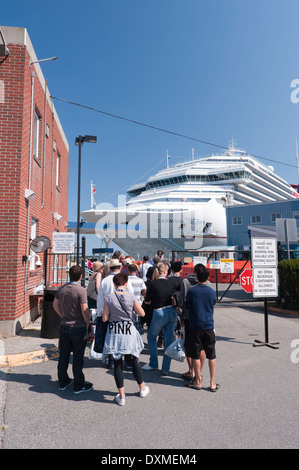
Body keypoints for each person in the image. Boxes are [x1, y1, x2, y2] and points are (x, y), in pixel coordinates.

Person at [102, 273, 149, 406]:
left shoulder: (109, 298)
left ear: (114, 284)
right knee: (134, 360)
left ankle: (121, 396)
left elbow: (105, 318)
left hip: (115, 331)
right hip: (128, 330)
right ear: (126, 283)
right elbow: (142, 313)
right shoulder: (131, 296)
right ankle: (142, 388)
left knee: (117, 363)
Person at [53, 265, 93, 394]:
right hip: (78, 326)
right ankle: (78, 384)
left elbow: (55, 305)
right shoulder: (81, 290)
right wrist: (88, 322)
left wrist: (63, 315)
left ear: (69, 274)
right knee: (77, 356)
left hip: (65, 325)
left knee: (63, 355)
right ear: (81, 276)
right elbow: (84, 309)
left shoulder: (62, 289)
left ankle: (63, 381)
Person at [142, 262, 182, 375]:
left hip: (159, 312)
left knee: (151, 337)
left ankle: (154, 363)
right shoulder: (171, 281)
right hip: (172, 311)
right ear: (165, 272)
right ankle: (166, 368)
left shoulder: (152, 283)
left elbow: (147, 301)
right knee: (169, 340)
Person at [185, 264, 219, 391]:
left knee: (195, 355)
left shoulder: (192, 291)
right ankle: (212, 382)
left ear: (197, 277)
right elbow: (213, 304)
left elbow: (187, 304)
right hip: (209, 325)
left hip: (195, 326)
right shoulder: (211, 291)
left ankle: (198, 381)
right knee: (212, 355)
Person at [97, 258, 134, 368]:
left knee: (111, 337)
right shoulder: (125, 279)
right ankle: (127, 361)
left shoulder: (104, 281)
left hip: (108, 312)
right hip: (123, 313)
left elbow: (100, 298)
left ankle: (112, 360)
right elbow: (131, 295)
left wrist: (101, 314)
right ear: (120, 267)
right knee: (125, 337)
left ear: (109, 268)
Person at [178, 264, 206, 381]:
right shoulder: (207, 283)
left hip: (189, 318)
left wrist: (181, 317)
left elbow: (181, 301)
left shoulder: (185, 282)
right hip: (204, 319)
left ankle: (191, 371)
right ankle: (199, 372)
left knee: (189, 346)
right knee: (202, 348)